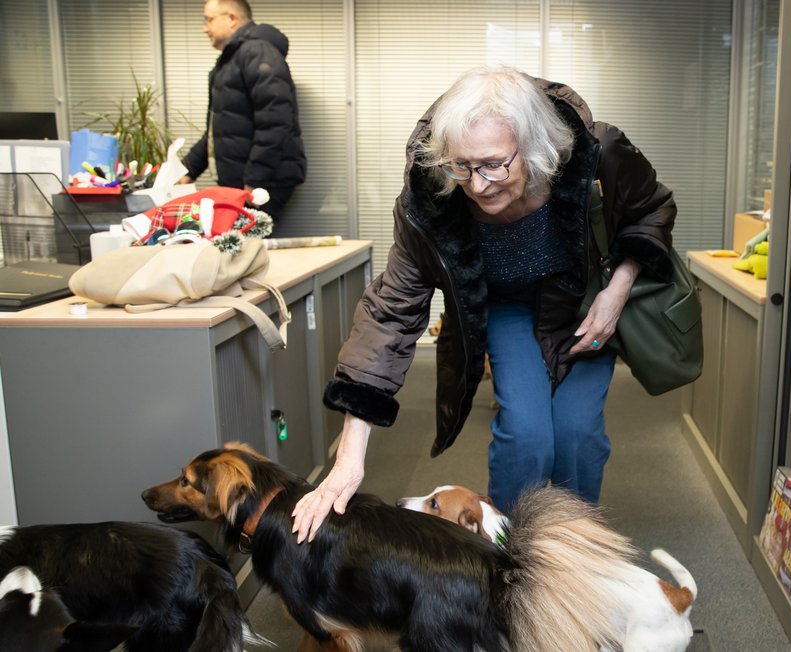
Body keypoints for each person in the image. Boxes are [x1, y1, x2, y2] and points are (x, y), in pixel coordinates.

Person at [292, 66, 676, 542]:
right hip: (507, 307)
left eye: (494, 164)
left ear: (535, 148)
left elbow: (651, 210)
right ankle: (507, 556)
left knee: (579, 436)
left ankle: (575, 557)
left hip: (585, 303)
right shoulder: (432, 198)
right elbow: (390, 311)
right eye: (462, 166)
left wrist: (618, 287)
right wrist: (349, 457)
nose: (477, 185)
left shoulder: (598, 154)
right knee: (527, 435)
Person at [178, 0, 306, 219]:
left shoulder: (257, 53)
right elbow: (218, 131)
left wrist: (254, 181)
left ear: (231, 18)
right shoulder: (231, 61)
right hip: (245, 182)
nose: (204, 28)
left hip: (261, 185)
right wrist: (186, 171)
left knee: (245, 250)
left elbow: (275, 122)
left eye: (209, 19)